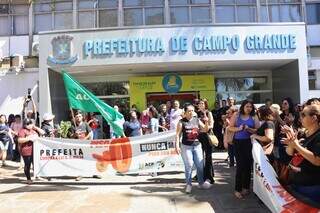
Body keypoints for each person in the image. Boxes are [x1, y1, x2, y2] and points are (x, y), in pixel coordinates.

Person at [282, 104, 320, 203]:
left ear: (314, 118)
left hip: (311, 186)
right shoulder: (303, 134)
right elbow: (289, 153)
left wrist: (297, 145)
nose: (300, 117)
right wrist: (292, 144)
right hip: (297, 183)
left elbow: (317, 160)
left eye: (303, 114)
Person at [175, 103, 211, 194]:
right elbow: (177, 135)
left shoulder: (197, 120)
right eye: (189, 111)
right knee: (189, 165)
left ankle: (201, 183)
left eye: (192, 110)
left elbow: (205, 130)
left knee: (200, 165)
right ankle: (189, 184)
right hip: (186, 147)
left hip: (197, 145)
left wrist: (206, 122)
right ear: (185, 112)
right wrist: (177, 146)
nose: (191, 112)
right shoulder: (181, 122)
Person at [228, 99, 260, 199]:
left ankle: (246, 187)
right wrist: (239, 128)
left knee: (248, 165)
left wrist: (248, 129)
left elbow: (258, 130)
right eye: (247, 106)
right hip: (238, 143)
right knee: (240, 166)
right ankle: (237, 189)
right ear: (243, 106)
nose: (249, 108)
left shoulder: (254, 116)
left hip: (249, 142)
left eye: (250, 107)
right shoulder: (236, 115)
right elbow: (230, 127)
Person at [18, 118, 44, 184]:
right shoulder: (22, 131)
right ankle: (28, 179)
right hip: (26, 151)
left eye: (30, 123)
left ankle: (37, 176)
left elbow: (42, 132)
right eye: (27, 124)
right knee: (27, 165)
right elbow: (19, 140)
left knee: (36, 164)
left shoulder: (33, 130)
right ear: (24, 125)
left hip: (35, 150)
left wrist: (35, 127)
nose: (29, 125)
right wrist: (29, 138)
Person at [197, 99, 215, 184]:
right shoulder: (196, 114)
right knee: (199, 157)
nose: (200, 105)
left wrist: (206, 124)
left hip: (207, 136)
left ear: (205, 105)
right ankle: (200, 174)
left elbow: (211, 125)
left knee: (208, 156)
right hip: (199, 136)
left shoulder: (208, 113)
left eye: (202, 103)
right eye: (199, 103)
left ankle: (209, 176)